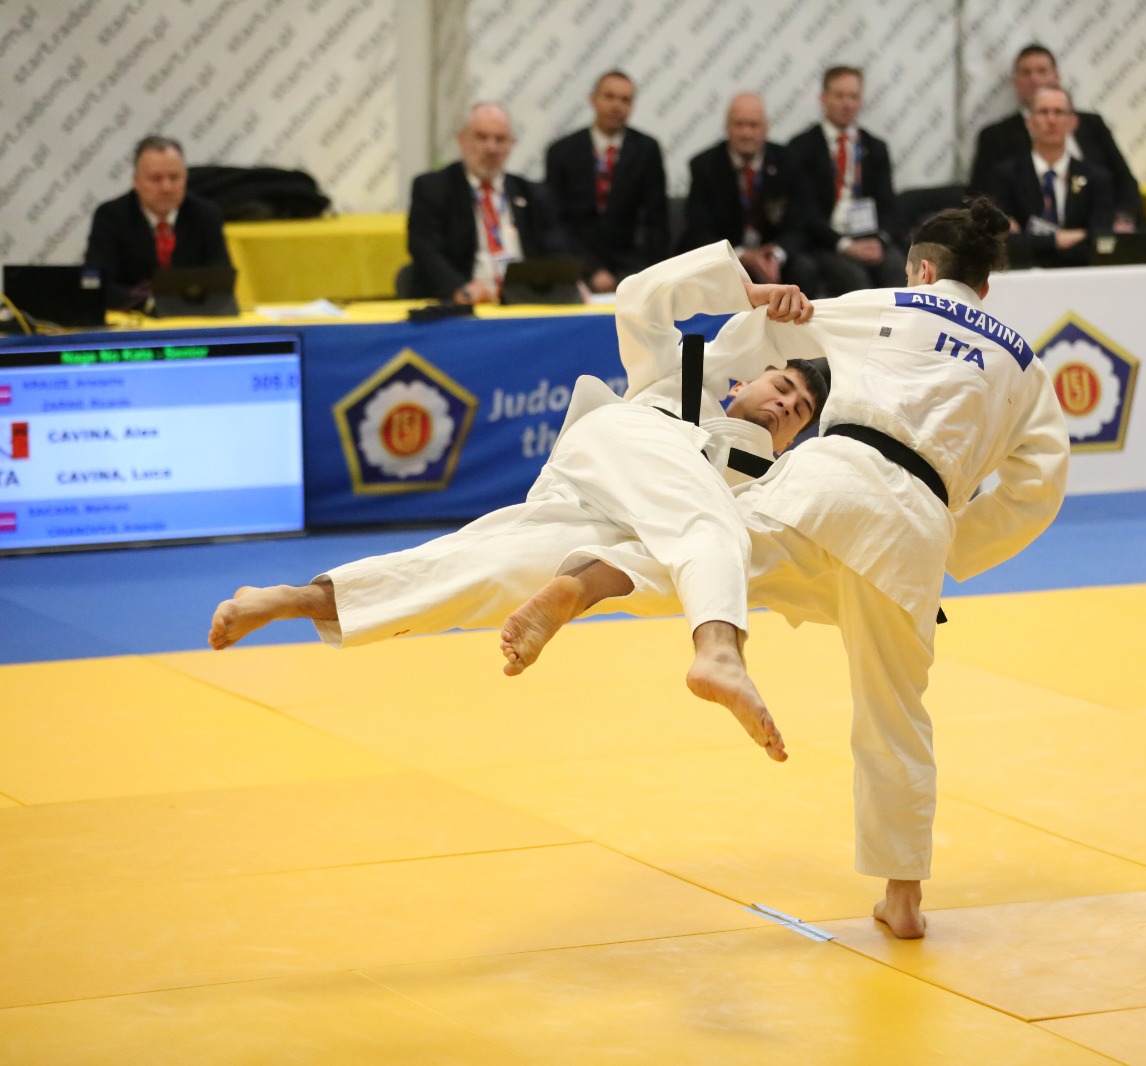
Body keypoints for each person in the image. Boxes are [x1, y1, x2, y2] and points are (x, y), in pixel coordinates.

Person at [507, 197, 1070, 939]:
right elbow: (1042, 482)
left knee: (706, 549)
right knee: (895, 716)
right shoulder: (1024, 365)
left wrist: (715, 387)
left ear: (924, 271)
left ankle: (583, 585)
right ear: (984, 287)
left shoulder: (884, 302)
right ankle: (902, 900)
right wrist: (956, 548)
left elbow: (778, 326)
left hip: (832, 476)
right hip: (917, 529)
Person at [209, 241, 829, 761]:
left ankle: (293, 598)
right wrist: (744, 294)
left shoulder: (772, 478)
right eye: (780, 385)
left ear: (799, 435)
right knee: (714, 530)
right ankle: (718, 651)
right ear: (746, 378)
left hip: (604, 522)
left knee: (480, 571)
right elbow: (639, 297)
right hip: (627, 446)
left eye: (798, 410)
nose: (783, 405)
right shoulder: (684, 376)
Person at [405, 102, 575, 304]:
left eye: (500, 139)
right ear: (462, 140)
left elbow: (557, 250)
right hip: (465, 304)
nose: (491, 148)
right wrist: (460, 290)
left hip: (523, 303)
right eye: (481, 137)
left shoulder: (532, 193)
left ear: (511, 144)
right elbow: (425, 250)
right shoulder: (434, 188)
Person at [968, 43, 1140, 232]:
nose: (1034, 79)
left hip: (1095, 225)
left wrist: (1123, 218)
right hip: (1028, 235)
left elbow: (1123, 178)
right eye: (1026, 73)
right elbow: (980, 194)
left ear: (1056, 77)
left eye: (1042, 71)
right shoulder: (996, 136)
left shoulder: (1092, 125)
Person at [681, 93, 825, 294]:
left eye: (753, 125)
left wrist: (776, 254)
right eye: (739, 125)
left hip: (773, 257)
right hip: (724, 258)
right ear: (727, 127)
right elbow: (700, 229)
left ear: (766, 128)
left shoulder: (788, 161)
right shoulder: (704, 166)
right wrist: (740, 256)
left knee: (804, 269)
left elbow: (799, 223)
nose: (746, 133)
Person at [544, 70, 670, 295]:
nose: (616, 106)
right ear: (593, 99)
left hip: (632, 268)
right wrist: (591, 269)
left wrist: (634, 274)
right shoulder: (562, 152)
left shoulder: (647, 150)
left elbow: (656, 221)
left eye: (625, 100)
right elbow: (555, 222)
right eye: (609, 97)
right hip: (577, 267)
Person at [786, 66, 904, 295]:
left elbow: (889, 206)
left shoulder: (875, 147)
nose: (846, 103)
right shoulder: (801, 148)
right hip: (826, 241)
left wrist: (880, 240)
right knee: (854, 279)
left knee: (897, 269)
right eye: (839, 96)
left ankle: (894, 332)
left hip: (869, 236)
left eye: (853, 96)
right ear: (823, 99)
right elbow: (804, 213)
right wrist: (844, 245)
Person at [84, 136, 232, 312]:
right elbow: (97, 283)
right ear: (136, 181)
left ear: (185, 178)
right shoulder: (111, 216)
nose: (166, 187)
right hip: (134, 319)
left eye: (174, 177)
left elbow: (220, 279)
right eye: (155, 178)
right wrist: (151, 303)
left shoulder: (206, 214)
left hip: (192, 318)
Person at [978, 86, 1115, 268]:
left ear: (1072, 122)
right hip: (1023, 274)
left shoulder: (1097, 178)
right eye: (1043, 112)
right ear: (1029, 122)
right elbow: (1004, 241)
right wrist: (1060, 239)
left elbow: (1100, 238)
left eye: (1059, 112)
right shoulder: (1005, 176)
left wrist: (1031, 241)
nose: (1051, 119)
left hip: (1081, 273)